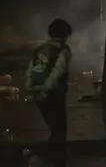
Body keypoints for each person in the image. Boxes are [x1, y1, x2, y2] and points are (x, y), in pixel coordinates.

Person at [25, 18, 73, 167]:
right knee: (60, 130)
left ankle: (49, 158)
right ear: (65, 35)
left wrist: (34, 89)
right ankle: (39, 156)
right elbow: (57, 72)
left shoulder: (40, 49)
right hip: (54, 95)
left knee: (56, 129)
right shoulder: (63, 50)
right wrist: (46, 89)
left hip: (39, 96)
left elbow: (29, 72)